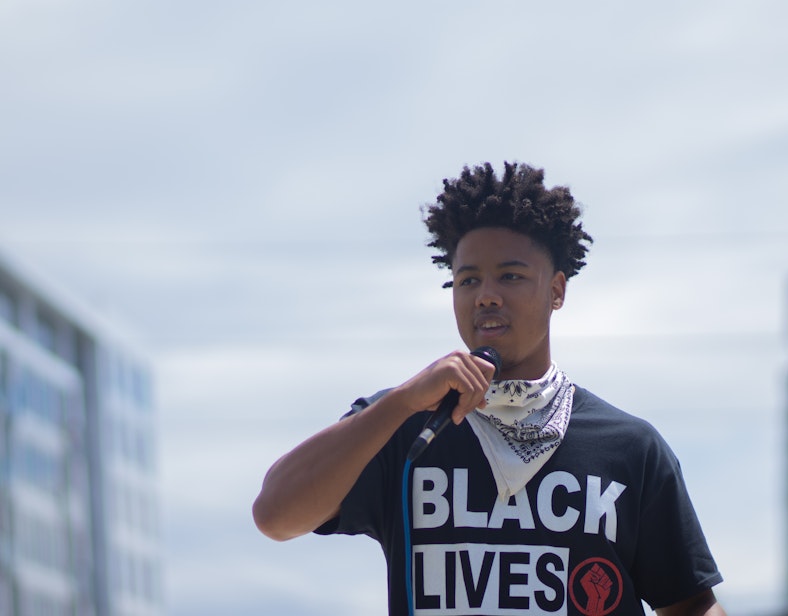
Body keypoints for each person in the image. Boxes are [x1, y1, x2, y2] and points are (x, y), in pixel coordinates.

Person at [253, 162, 726, 616]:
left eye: (511, 275)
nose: (486, 295)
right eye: (468, 279)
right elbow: (275, 515)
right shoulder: (405, 427)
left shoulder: (629, 447)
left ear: (557, 291)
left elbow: (690, 603)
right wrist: (401, 400)